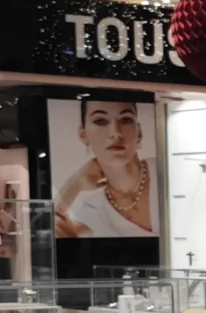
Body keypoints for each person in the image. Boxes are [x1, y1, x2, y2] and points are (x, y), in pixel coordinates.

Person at [53, 97, 154, 236]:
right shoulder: (92, 213)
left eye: (126, 120)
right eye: (100, 121)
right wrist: (74, 184)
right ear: (83, 134)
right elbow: (45, 230)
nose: (115, 133)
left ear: (139, 132)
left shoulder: (169, 169)